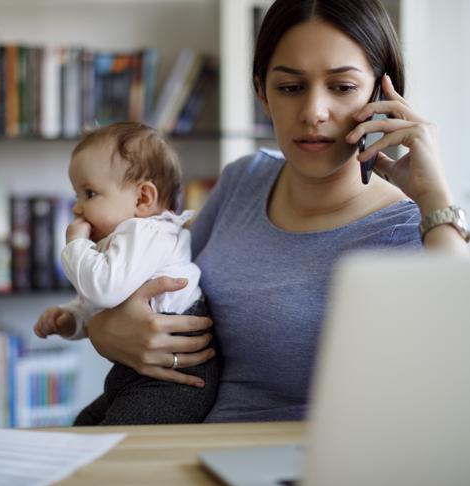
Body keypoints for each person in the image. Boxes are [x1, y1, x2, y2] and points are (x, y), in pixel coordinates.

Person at [82, 0, 470, 423]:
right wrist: (103, 329)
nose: (313, 113)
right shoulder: (243, 180)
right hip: (192, 450)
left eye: (341, 87)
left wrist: (435, 198)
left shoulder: (417, 229)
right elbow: (153, 284)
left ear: (380, 94)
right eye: (290, 87)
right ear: (262, 94)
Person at [33, 122, 218, 425]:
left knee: (116, 443)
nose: (77, 208)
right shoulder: (125, 239)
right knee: (84, 424)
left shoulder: (148, 232)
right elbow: (105, 303)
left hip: (173, 381)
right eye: (77, 195)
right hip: (137, 372)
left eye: (89, 193)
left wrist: (76, 243)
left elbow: (104, 289)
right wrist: (72, 318)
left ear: (142, 199)